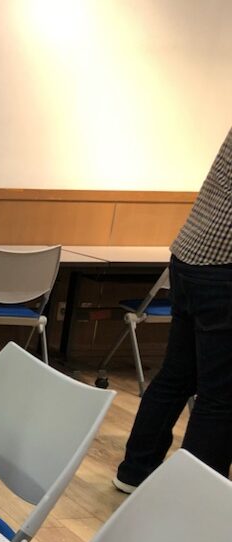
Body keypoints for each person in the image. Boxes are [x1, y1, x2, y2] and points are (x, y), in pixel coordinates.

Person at [114, 127, 232, 492]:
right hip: (224, 270)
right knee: (220, 397)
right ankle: (194, 496)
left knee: (176, 375)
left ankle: (135, 471)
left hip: (189, 256)